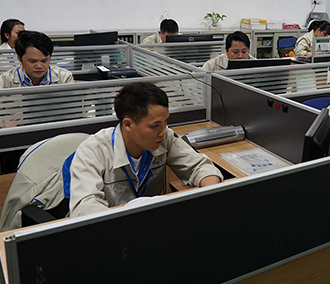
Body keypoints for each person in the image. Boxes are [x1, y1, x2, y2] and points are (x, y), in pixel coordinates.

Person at [69, 82, 222, 217]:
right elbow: (85, 208)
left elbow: (200, 166)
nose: (163, 131)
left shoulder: (165, 138)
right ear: (128, 124)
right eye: (155, 126)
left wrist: (211, 194)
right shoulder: (93, 151)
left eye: (165, 122)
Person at [0, 31, 74, 89]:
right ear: (19, 58)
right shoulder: (6, 80)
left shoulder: (64, 77)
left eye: (44, 61)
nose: (39, 66)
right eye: (32, 61)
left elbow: (76, 106)